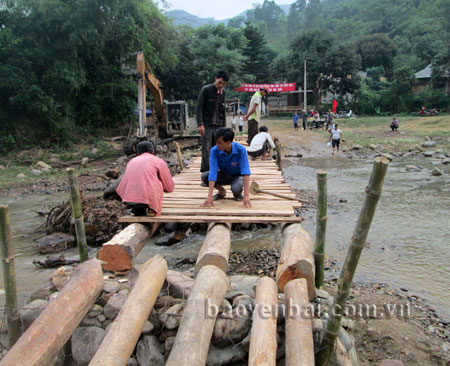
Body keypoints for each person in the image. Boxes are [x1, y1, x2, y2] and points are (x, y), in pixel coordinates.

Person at [116, 141, 174, 216]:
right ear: (153, 151)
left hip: (129, 200)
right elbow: (169, 187)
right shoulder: (158, 161)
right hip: (147, 201)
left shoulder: (131, 161)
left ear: (137, 153)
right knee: (155, 183)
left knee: (139, 183)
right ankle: (152, 209)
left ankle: (136, 210)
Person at [201, 128, 252, 208]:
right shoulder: (214, 151)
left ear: (228, 142)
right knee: (205, 176)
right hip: (224, 175)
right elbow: (213, 172)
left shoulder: (241, 150)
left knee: (236, 188)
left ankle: (237, 194)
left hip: (237, 177)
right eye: (216, 143)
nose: (217, 145)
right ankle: (221, 191)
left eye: (219, 143)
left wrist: (246, 195)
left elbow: (246, 172)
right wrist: (209, 196)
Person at [196, 70, 230, 173]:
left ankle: (216, 170)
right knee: (207, 149)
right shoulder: (206, 90)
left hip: (218, 125)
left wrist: (224, 128)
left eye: (224, 84)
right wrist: (200, 124)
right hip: (207, 124)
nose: (221, 85)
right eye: (220, 82)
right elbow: (199, 107)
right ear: (215, 78)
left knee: (218, 148)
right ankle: (206, 173)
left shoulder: (223, 93)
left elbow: (223, 111)